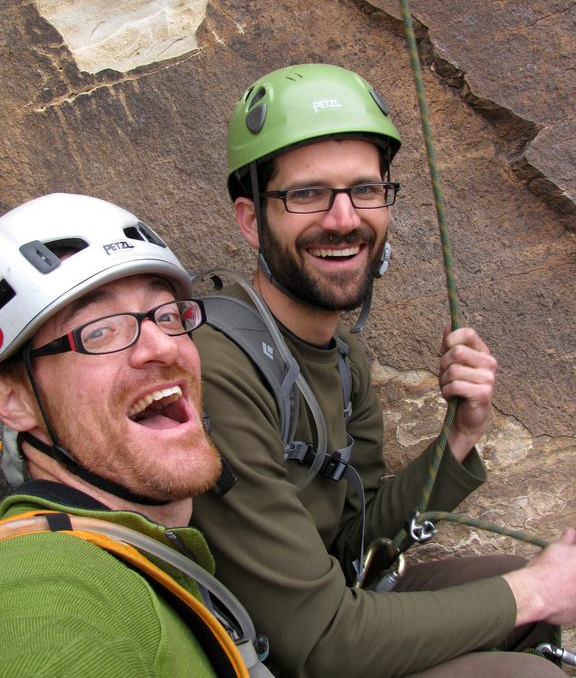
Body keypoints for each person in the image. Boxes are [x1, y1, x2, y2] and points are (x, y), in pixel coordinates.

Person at [192, 63, 576, 677]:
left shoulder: (343, 361)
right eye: (307, 193)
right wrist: (542, 588)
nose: (344, 219)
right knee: (525, 664)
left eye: (365, 190)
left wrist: (459, 439)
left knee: (517, 598)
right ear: (250, 219)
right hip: (262, 652)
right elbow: (319, 643)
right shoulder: (215, 366)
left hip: (324, 617)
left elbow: (357, 534)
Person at [0, 192, 270, 678]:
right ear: (14, 400)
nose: (162, 346)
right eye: (98, 330)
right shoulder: (49, 589)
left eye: (167, 315)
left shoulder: (143, 552)